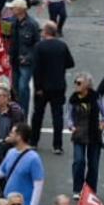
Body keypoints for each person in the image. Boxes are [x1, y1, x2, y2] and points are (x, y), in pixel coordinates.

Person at [29, 20, 74, 153]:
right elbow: (70, 63)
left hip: (43, 87)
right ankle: (57, 145)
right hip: (58, 85)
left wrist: (38, 87)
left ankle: (34, 141)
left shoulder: (39, 47)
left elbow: (36, 69)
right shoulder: (62, 46)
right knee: (57, 116)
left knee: (38, 115)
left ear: (46, 32)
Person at [68, 73, 104, 193]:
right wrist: (71, 126)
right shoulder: (73, 99)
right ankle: (77, 189)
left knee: (93, 164)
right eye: (76, 82)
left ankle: (90, 190)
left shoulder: (96, 97)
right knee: (79, 161)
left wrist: (103, 123)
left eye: (79, 83)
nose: (76, 85)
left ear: (87, 85)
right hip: (79, 134)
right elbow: (69, 115)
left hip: (94, 134)